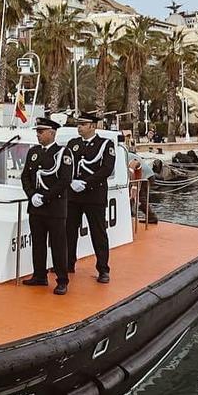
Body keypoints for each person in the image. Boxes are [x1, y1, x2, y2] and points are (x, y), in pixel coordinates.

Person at [20, 117, 72, 295]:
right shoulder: (33, 152)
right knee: (38, 243)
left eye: (41, 132)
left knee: (58, 245)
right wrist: (32, 195)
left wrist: (45, 197)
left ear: (52, 132)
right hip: (36, 207)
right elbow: (25, 176)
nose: (38, 135)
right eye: (37, 132)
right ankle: (39, 275)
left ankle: (62, 280)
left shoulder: (63, 153)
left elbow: (65, 180)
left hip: (54, 207)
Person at [66, 112, 116, 284]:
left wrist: (86, 183)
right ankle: (68, 263)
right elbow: (67, 165)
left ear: (93, 126)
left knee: (98, 233)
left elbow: (106, 169)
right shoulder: (73, 144)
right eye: (78, 124)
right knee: (69, 231)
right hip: (73, 195)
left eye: (83, 124)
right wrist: (71, 182)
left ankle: (103, 269)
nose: (79, 127)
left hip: (94, 195)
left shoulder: (105, 144)